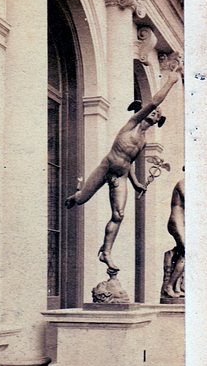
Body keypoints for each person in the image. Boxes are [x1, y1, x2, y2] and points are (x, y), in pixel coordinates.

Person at [65, 67, 182, 272]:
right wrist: (171, 81)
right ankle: (75, 196)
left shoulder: (144, 141)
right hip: (106, 168)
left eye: (158, 114)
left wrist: (136, 184)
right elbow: (155, 101)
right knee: (83, 198)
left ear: (157, 121)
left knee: (119, 215)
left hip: (120, 176)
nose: (155, 112)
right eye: (153, 110)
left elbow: (130, 165)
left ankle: (106, 252)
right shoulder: (132, 124)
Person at [164, 177, 185, 297]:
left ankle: (177, 287)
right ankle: (169, 286)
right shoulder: (183, 184)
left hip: (182, 222)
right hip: (176, 222)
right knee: (187, 252)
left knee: (181, 253)